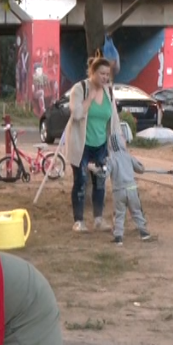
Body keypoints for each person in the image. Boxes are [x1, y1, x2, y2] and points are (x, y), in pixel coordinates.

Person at [65, 57, 113, 233]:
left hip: (100, 145)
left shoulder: (109, 92)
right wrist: (90, 98)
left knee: (100, 181)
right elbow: (76, 114)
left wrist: (118, 141)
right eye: (102, 74)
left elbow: (113, 119)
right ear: (92, 73)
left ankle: (98, 219)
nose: (105, 78)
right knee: (81, 181)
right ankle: (78, 221)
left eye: (107, 74)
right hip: (82, 144)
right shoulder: (80, 89)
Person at [99, 132, 154, 245]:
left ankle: (118, 237)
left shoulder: (111, 159)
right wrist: (141, 167)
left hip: (118, 191)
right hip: (132, 189)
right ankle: (144, 232)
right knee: (136, 212)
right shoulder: (129, 156)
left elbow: (104, 173)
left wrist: (99, 170)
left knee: (119, 214)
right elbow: (140, 169)